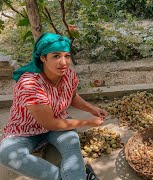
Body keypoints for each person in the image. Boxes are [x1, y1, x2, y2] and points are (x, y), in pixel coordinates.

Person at [0, 33, 107, 180]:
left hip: (58, 121)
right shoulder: (30, 84)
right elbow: (49, 123)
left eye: (67, 56)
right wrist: (88, 122)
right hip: (24, 130)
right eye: (56, 56)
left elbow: (72, 96)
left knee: (71, 146)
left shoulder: (68, 74)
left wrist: (92, 109)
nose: (63, 62)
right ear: (43, 58)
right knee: (6, 154)